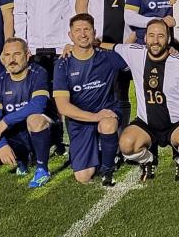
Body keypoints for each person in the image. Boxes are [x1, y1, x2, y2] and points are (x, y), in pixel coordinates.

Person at [107, 20, 179, 181]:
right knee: (126, 144)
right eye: (151, 35)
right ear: (145, 38)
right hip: (146, 124)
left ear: (168, 39)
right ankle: (148, 160)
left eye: (160, 36)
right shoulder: (134, 52)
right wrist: (78, 46)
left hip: (176, 123)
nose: (155, 40)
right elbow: (110, 47)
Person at [76, 0, 142, 133]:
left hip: (125, 42)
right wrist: (86, 35)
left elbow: (140, 8)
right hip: (98, 43)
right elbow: (81, 5)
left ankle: (122, 137)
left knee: (122, 91)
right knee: (99, 90)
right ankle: (104, 139)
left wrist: (133, 37)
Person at [13, 0, 75, 157]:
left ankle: (64, 142)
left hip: (60, 48)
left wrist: (70, 42)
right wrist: (23, 43)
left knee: (62, 96)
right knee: (40, 97)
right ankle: (46, 141)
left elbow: (73, 10)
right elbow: (20, 12)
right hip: (35, 49)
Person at [54, 14, 130, 186]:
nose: (83, 34)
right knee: (83, 176)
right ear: (70, 35)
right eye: (78, 30)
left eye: (87, 29)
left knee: (108, 124)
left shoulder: (108, 57)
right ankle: (98, 147)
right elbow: (63, 107)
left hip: (107, 113)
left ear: (94, 32)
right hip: (80, 121)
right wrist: (95, 117)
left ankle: (108, 168)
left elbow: (138, 58)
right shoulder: (62, 64)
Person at [0, 38, 53, 187]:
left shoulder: (38, 73)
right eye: (8, 55)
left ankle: (42, 169)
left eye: (17, 54)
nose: (12, 59)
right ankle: (22, 160)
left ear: (27, 55)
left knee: (34, 119)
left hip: (41, 130)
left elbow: (38, 105)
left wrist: (6, 121)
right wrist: (2, 145)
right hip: (15, 134)